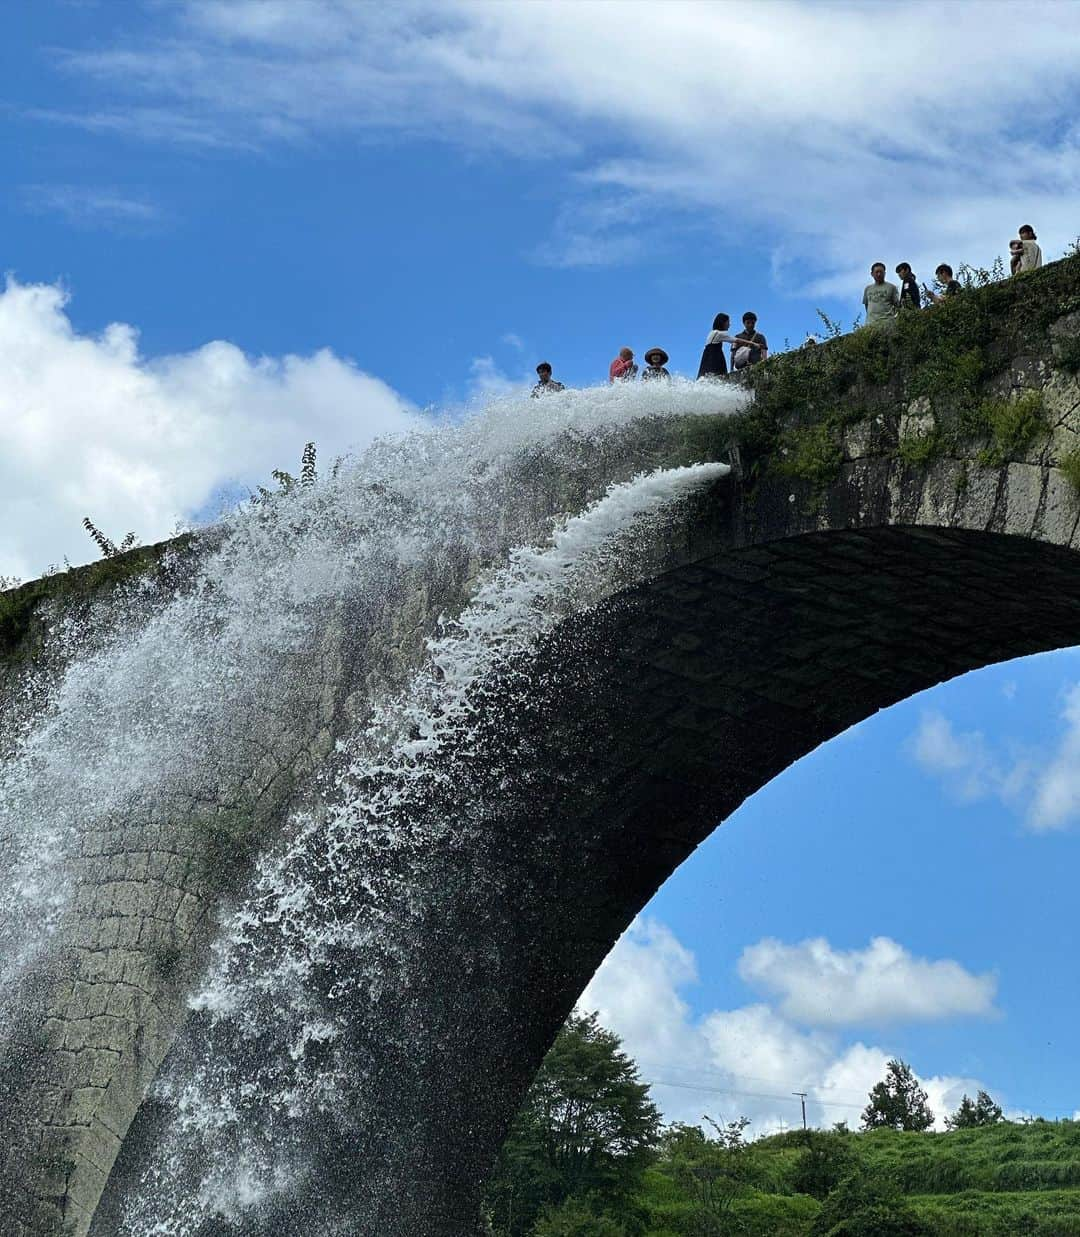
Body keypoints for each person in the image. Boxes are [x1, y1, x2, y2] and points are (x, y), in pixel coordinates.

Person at [697, 313, 740, 379]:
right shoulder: (719, 333)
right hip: (715, 358)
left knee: (706, 376)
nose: (729, 324)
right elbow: (736, 340)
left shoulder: (712, 333)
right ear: (723, 323)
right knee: (718, 376)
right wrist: (753, 344)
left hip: (706, 358)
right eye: (728, 322)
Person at [862, 262, 900, 329]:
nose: (879, 274)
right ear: (872, 274)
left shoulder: (891, 287)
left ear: (884, 273)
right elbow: (866, 306)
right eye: (876, 272)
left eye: (881, 272)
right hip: (870, 326)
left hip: (887, 325)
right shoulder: (867, 289)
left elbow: (897, 306)